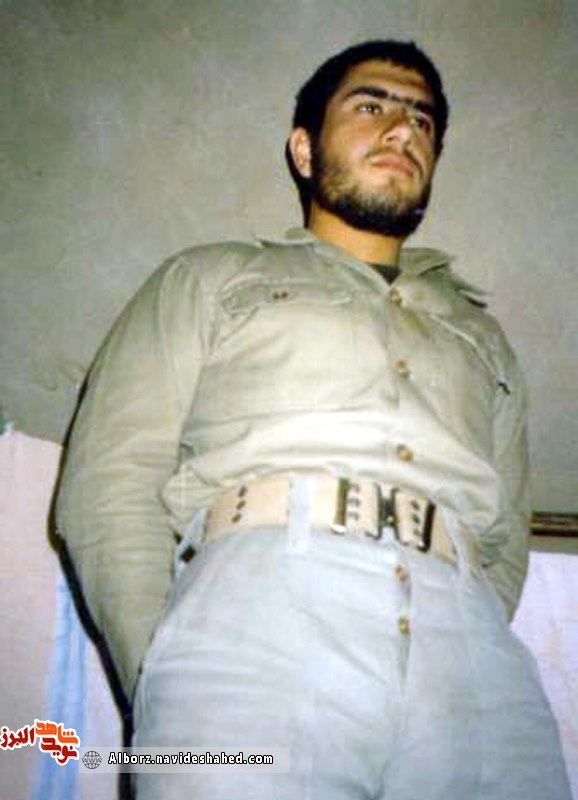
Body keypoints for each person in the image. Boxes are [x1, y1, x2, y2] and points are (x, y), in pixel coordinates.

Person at [57, 40, 571, 799]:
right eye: (371, 105)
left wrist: (465, 624)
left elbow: (504, 540)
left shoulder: (483, 335)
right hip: (254, 637)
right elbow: (110, 482)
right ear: (303, 149)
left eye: (422, 120)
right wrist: (164, 673)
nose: (401, 129)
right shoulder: (209, 277)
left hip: (478, 677)